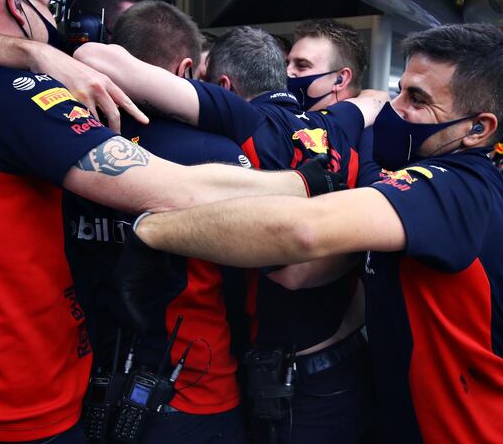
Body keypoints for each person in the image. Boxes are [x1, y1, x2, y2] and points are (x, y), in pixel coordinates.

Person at [0, 0, 333, 443]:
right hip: (15, 404)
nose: (55, 27)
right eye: (47, 9)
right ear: (15, 2)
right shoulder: (4, 91)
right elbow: (173, 189)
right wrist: (302, 182)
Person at [131, 24, 503, 443]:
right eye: (400, 91)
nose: (397, 109)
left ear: (478, 128)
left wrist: (150, 226)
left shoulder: (452, 187)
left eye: (418, 99)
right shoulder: (429, 180)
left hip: (487, 429)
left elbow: (302, 230)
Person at [76, 26, 385, 443]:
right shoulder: (341, 124)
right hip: (345, 359)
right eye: (290, 62)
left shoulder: (246, 117)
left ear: (222, 85)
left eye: (303, 65)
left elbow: (97, 59)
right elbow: (374, 100)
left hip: (286, 376)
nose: (293, 73)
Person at [66, 0, 250, 442]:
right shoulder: (219, 154)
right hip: (194, 389)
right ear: (187, 69)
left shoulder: (66, 142)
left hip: (85, 382)